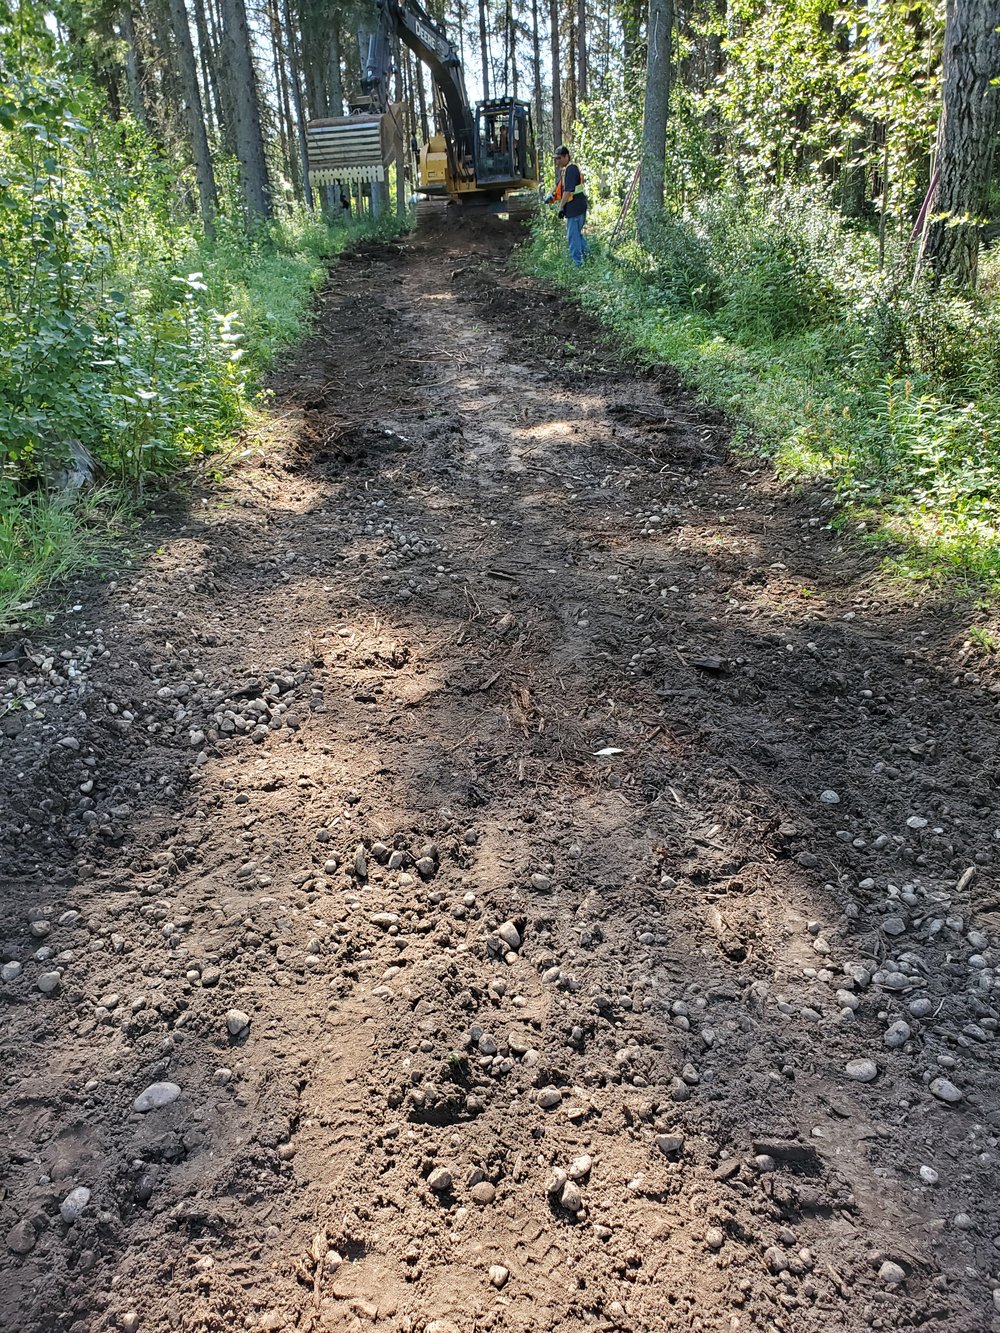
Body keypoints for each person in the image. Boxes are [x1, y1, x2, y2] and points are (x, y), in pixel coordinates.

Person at [546, 144, 588, 266]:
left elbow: (567, 191)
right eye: (556, 159)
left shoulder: (570, 169)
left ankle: (578, 265)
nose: (557, 161)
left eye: (559, 158)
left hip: (575, 209)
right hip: (578, 208)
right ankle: (590, 259)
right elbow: (559, 186)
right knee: (578, 237)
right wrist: (551, 196)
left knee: (573, 238)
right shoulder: (568, 170)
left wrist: (561, 207)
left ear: (566, 157)